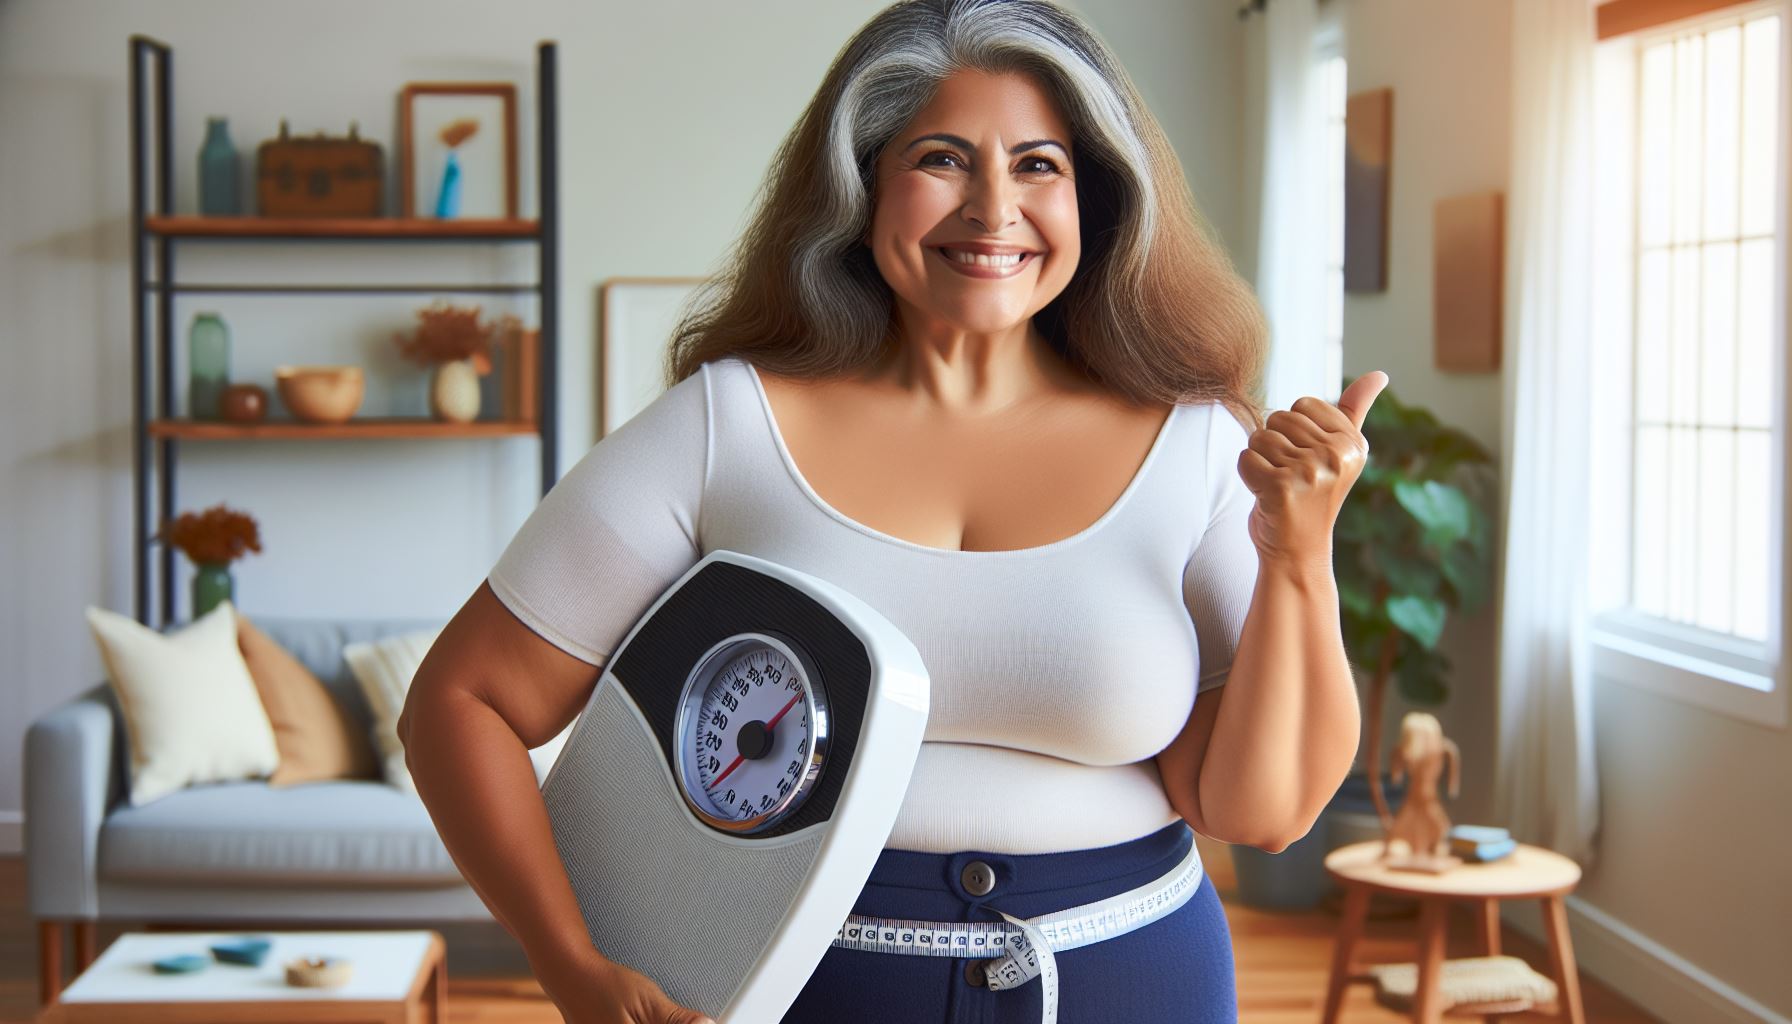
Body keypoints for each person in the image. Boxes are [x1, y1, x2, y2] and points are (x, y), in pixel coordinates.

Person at [398, 1, 1385, 1021]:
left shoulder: (1196, 445)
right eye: (943, 159)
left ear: (1093, 198)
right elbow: (461, 701)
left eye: (1038, 165)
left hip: (1134, 984)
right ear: (861, 186)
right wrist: (568, 961)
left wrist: (1297, 553)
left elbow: (1259, 812)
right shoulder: (727, 426)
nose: (993, 209)